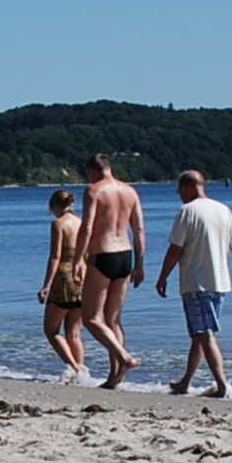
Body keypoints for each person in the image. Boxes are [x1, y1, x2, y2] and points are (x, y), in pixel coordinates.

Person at [155, 169, 232, 398]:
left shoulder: (187, 211)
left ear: (188, 187)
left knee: (205, 333)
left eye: (180, 190)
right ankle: (185, 382)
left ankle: (222, 384)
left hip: (196, 282)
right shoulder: (223, 210)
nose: (179, 194)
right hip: (220, 282)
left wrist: (163, 276)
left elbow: (175, 249)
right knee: (199, 334)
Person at [68, 152, 146, 388]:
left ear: (92, 171)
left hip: (103, 254)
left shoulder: (94, 191)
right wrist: (140, 264)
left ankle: (123, 357)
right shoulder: (130, 191)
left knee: (92, 319)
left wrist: (78, 260)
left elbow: (87, 228)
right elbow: (139, 229)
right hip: (125, 255)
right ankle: (115, 377)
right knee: (113, 320)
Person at [36, 189, 88, 382]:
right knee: (74, 332)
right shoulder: (82, 223)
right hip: (83, 277)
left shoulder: (59, 224)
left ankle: (74, 368)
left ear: (55, 206)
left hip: (64, 279)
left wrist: (46, 285)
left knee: (51, 330)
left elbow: (56, 257)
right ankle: (81, 372)